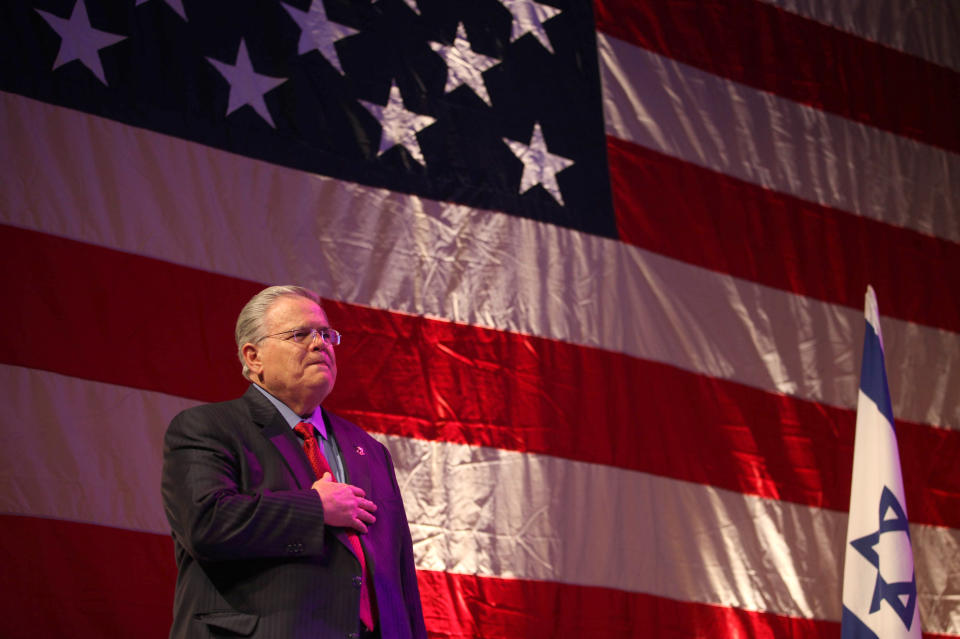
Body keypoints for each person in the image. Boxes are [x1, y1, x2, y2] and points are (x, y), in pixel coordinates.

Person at [161, 285, 426, 639]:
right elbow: (206, 525)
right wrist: (315, 509)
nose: (320, 344)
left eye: (326, 334)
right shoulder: (207, 428)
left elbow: (400, 573)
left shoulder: (369, 450)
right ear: (253, 357)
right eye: (300, 334)